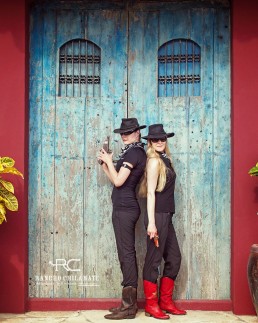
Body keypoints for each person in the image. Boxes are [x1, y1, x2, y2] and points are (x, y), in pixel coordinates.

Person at [98, 118, 147, 320]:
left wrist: (110, 162)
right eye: (122, 133)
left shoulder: (135, 152)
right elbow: (115, 179)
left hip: (125, 209)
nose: (124, 136)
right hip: (123, 208)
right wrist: (105, 165)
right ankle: (126, 304)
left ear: (137, 132)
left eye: (128, 132)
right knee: (124, 254)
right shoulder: (130, 152)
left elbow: (119, 181)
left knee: (127, 255)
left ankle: (129, 307)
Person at [139, 124, 187, 319]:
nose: (160, 142)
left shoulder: (165, 159)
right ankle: (151, 304)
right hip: (157, 216)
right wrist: (151, 223)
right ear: (150, 141)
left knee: (174, 259)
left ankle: (165, 301)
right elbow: (150, 193)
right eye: (155, 139)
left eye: (163, 139)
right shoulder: (153, 161)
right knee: (153, 261)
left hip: (166, 215)